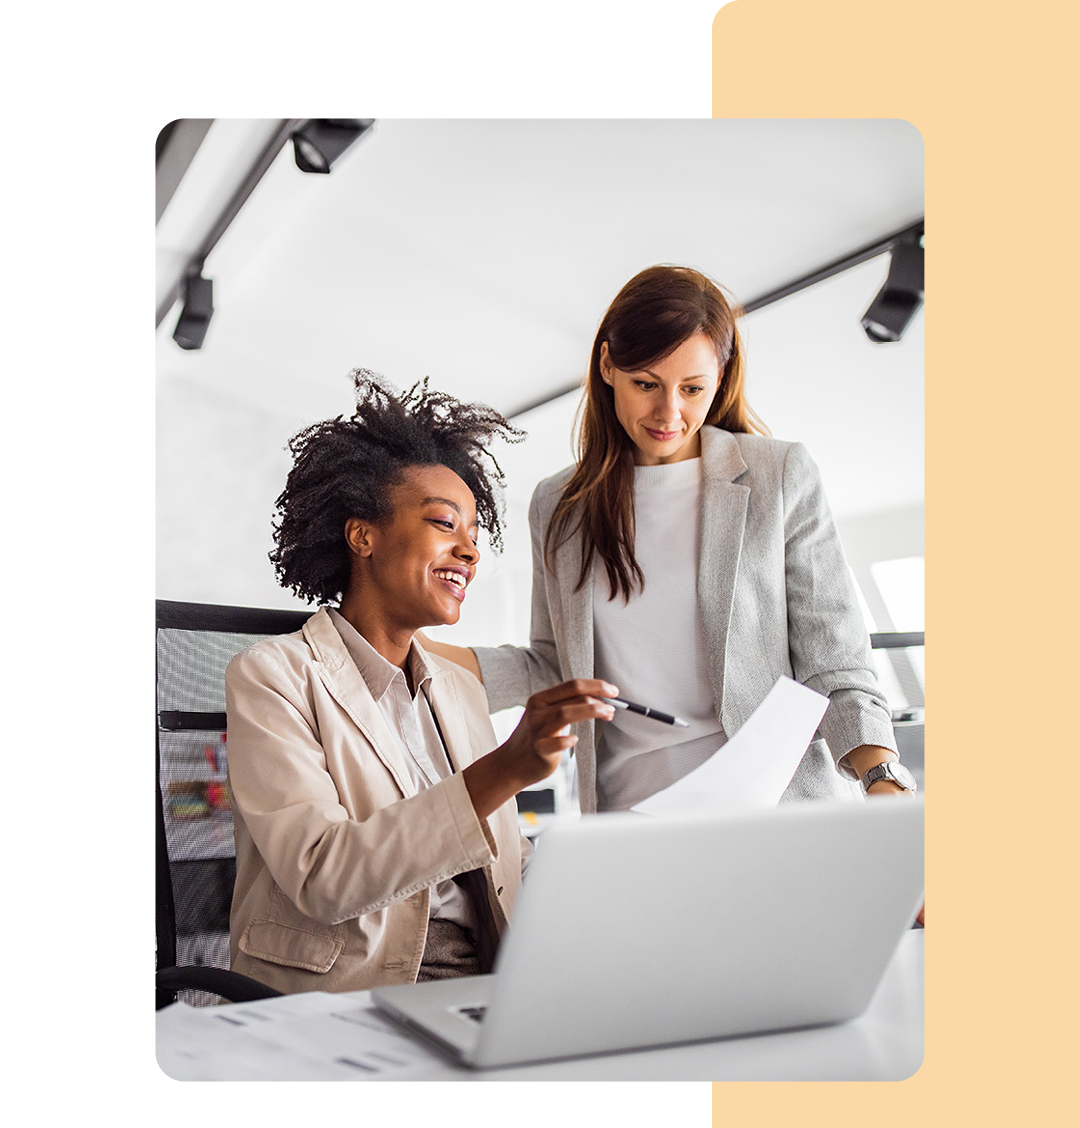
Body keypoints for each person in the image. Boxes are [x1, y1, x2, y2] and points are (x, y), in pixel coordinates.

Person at [421, 265, 919, 818]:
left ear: (721, 376)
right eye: (646, 384)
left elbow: (836, 664)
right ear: (608, 364)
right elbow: (554, 664)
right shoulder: (559, 504)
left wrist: (884, 782)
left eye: (692, 389)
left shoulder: (779, 477)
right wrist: (403, 650)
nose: (668, 413)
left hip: (777, 813)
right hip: (632, 819)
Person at [226, 369, 618, 995]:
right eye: (444, 524)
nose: (470, 551)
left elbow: (502, 861)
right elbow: (323, 876)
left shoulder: (457, 687)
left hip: (487, 980)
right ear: (363, 536)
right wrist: (508, 768)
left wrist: (613, 868)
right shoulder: (273, 677)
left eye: (472, 533)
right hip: (356, 992)